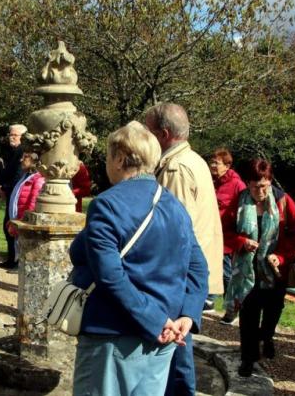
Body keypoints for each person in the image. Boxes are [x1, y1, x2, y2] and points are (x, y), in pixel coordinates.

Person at [70, 121, 208, 396]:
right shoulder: (174, 206)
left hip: (114, 335)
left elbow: (110, 276)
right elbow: (198, 266)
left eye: (109, 156)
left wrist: (156, 320)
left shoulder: (106, 204)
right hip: (165, 337)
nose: (107, 163)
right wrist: (187, 316)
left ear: (120, 158)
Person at [144, 102, 222, 396]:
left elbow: (172, 231)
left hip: (178, 276)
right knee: (178, 348)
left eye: (149, 131)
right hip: (188, 275)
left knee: (175, 351)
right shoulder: (194, 160)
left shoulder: (175, 169)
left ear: (163, 134)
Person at [224, 158, 295, 377]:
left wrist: (281, 255)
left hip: (275, 272)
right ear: (247, 183)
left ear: (270, 182)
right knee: (248, 316)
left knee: (272, 313)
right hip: (247, 271)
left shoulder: (284, 201)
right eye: (255, 186)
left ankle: (267, 337)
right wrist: (241, 242)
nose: (260, 191)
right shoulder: (238, 201)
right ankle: (248, 359)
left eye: (265, 186)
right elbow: (225, 230)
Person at [209, 148, 247, 325]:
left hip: (228, 238)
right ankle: (208, 300)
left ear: (227, 165)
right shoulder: (211, 181)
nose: (212, 166)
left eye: (216, 163)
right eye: (212, 162)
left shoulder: (237, 185)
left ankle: (231, 310)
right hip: (211, 234)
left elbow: (244, 210)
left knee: (226, 274)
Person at [6, 152, 44, 273]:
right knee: (19, 244)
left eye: (25, 157)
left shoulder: (38, 178)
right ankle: (20, 265)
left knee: (24, 246)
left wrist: (21, 221)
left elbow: (33, 203)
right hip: (18, 217)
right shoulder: (26, 175)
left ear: (34, 160)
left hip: (24, 219)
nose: (21, 160)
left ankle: (23, 267)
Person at [0, 124, 27, 270]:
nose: (11, 137)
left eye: (15, 135)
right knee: (8, 226)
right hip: (11, 192)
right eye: (11, 134)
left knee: (12, 227)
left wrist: (4, 188)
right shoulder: (14, 151)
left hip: (16, 194)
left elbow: (18, 175)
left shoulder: (22, 151)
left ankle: (15, 261)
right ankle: (11, 259)